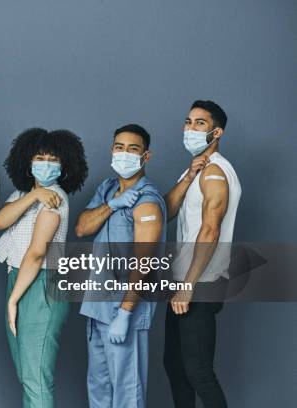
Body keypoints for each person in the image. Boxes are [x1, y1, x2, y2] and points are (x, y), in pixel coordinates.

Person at [0, 128, 88, 408]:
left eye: (53, 158)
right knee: (27, 375)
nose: (45, 163)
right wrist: (34, 196)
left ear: (65, 164)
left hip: (42, 284)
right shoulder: (24, 194)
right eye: (39, 156)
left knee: (36, 380)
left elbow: (36, 254)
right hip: (20, 280)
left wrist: (12, 300)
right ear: (27, 160)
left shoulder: (55, 198)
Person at [75, 124, 166, 408]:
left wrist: (125, 314)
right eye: (119, 147)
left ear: (146, 156)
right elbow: (82, 227)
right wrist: (113, 205)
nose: (124, 154)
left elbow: (146, 262)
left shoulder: (148, 201)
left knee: (127, 393)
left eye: (133, 149)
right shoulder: (109, 188)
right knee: (99, 389)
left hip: (123, 309)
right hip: (98, 306)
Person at [163, 100, 241, 408]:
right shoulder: (196, 170)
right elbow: (165, 212)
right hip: (184, 279)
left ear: (217, 132)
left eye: (199, 123)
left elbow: (210, 231)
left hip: (200, 282)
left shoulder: (215, 174)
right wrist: (186, 179)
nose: (190, 128)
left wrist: (188, 286)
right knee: (176, 366)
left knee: (198, 371)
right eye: (188, 121)